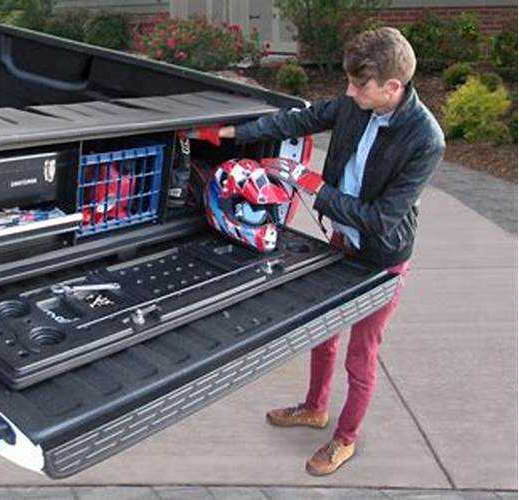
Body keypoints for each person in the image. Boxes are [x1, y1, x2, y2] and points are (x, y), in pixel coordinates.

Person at [191, 27, 445, 475]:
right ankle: (314, 408)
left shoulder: (425, 139)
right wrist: (227, 132)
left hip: (382, 256)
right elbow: (295, 121)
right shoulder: (354, 104)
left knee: (360, 355)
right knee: (323, 333)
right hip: (341, 241)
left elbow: (381, 217)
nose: (347, 93)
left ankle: (344, 439)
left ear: (392, 87)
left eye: (357, 85)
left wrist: (311, 184)